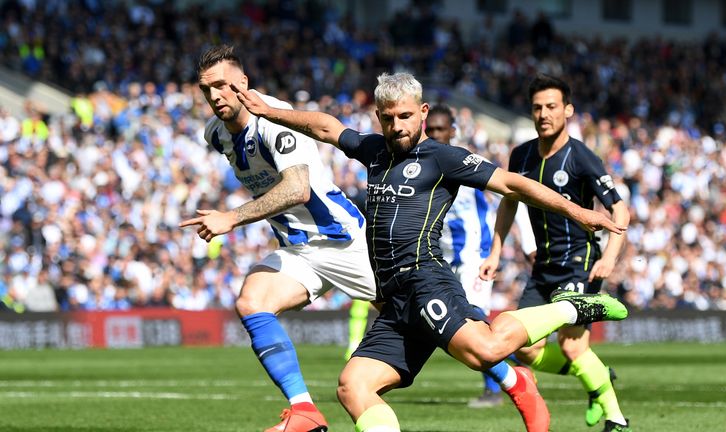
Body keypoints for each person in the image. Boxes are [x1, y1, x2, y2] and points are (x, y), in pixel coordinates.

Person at [231, 71, 629, 432]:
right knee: (353, 386)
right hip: (394, 299)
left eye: (405, 116)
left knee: (485, 351)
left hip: (426, 281)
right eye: (388, 118)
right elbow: (326, 127)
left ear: (422, 112)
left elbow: (513, 185)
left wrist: (578, 210)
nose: (397, 126)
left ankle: (572, 308)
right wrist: (268, 111)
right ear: (378, 116)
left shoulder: (442, 157)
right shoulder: (374, 150)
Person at [181, 45, 377, 432]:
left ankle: (513, 381)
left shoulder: (272, 119)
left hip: (343, 241)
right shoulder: (216, 134)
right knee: (252, 301)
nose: (215, 96)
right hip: (298, 251)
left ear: (243, 83)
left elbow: (298, 189)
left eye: (222, 85)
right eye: (207, 90)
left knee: (440, 331)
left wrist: (232, 219)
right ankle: (304, 410)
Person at [480, 73, 632, 432]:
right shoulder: (521, 155)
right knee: (522, 348)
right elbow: (508, 205)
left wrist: (610, 257)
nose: (544, 114)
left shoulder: (581, 156)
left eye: (551, 106)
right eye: (537, 108)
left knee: (573, 347)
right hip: (543, 267)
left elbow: (620, 209)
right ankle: (598, 379)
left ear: (568, 110)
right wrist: (495, 253)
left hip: (581, 265)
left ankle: (616, 417)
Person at [426, 105, 537, 408]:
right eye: (430, 130)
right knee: (454, 331)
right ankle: (532, 360)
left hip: (476, 257)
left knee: (474, 321)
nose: (435, 135)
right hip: (443, 261)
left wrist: (528, 245)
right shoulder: (422, 165)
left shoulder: (466, 163)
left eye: (440, 129)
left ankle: (495, 389)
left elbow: (513, 195)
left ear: (453, 132)